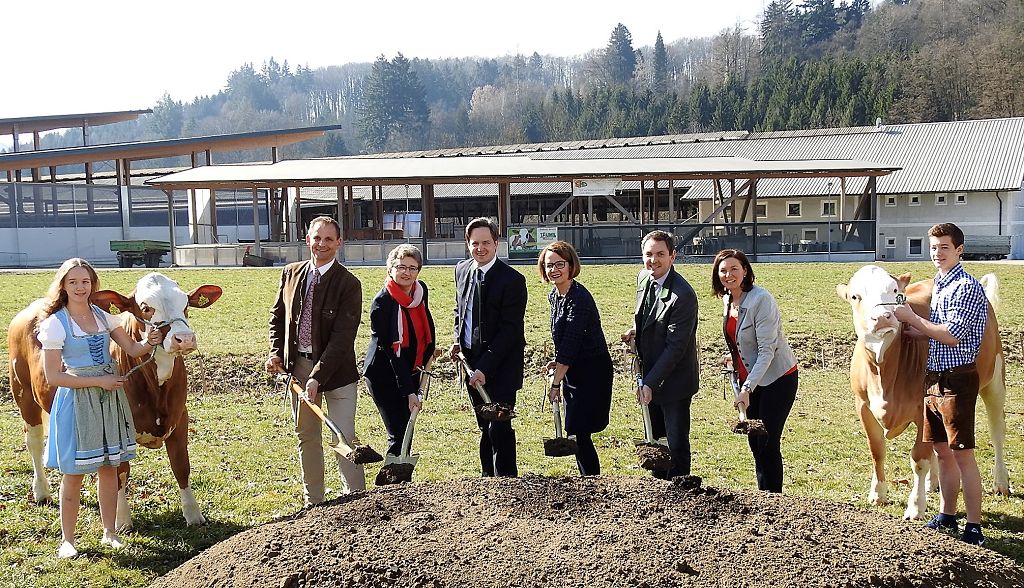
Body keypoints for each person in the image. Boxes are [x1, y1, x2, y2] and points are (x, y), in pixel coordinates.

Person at [38, 258, 164, 558]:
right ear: (63, 286)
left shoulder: (103, 316)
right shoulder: (56, 323)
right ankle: (67, 539)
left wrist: (150, 340)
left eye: (85, 281)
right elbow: (54, 375)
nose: (80, 287)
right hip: (78, 401)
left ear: (93, 284)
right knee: (75, 472)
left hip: (108, 400)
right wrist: (100, 382)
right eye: (73, 282)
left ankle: (109, 532)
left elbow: (133, 350)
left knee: (109, 468)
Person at [893, 222, 989, 546]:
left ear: (959, 250)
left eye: (944, 247)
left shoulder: (965, 286)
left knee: (963, 455)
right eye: (933, 248)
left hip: (957, 379)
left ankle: (973, 526)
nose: (937, 253)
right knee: (942, 453)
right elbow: (940, 328)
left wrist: (912, 319)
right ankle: (948, 515)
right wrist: (915, 333)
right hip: (933, 378)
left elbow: (951, 335)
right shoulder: (941, 283)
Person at [267, 216, 365, 506]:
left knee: (343, 435)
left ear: (338, 243)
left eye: (328, 239)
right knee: (307, 436)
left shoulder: (348, 283)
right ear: (307, 239)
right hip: (299, 367)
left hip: (337, 372)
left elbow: (342, 338)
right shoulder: (290, 273)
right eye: (316, 238)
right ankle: (315, 502)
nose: (321, 244)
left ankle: (357, 499)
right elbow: (277, 318)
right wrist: (275, 352)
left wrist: (317, 377)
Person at [711, 249, 799, 493]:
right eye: (723, 271)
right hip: (749, 376)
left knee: (767, 441)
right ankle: (764, 496)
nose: (728, 275)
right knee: (754, 440)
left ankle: (773, 500)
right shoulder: (728, 299)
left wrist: (747, 388)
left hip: (777, 378)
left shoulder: (762, 300)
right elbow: (739, 337)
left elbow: (767, 350)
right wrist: (735, 356)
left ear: (745, 271)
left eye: (734, 269)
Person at [449, 217, 527, 477]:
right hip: (472, 363)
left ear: (496, 243)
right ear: (467, 245)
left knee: (500, 426)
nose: (480, 248)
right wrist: (457, 341)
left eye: (485, 243)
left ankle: (506, 483)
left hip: (501, 365)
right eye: (474, 243)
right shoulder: (461, 270)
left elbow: (510, 331)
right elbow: (460, 310)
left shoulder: (512, 280)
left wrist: (485, 367)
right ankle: (486, 481)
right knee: (484, 424)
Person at [621, 230, 699, 479]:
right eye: (649, 254)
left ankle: (680, 489)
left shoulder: (683, 295)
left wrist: (651, 383)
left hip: (673, 380)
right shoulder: (644, 278)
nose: (653, 260)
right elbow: (650, 315)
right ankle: (658, 489)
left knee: (675, 441)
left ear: (673, 256)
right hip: (649, 373)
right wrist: (637, 330)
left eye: (660, 254)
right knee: (654, 438)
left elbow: (676, 346)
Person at [539, 241, 613, 476]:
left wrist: (555, 382)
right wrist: (557, 361)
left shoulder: (579, 298)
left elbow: (572, 341)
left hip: (592, 371)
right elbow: (564, 340)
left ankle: (591, 480)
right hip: (572, 368)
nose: (554, 270)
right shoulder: (555, 295)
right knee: (575, 430)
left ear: (571, 265)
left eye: (560, 264)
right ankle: (587, 478)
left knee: (579, 430)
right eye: (549, 265)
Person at [363, 244, 437, 456]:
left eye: (412, 268)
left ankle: (402, 481)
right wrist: (408, 391)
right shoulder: (382, 302)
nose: (407, 272)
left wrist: (428, 353)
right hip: (384, 375)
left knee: (407, 431)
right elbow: (390, 352)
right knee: (398, 432)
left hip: (412, 369)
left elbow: (424, 328)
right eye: (401, 267)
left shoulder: (420, 292)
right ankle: (392, 485)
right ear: (390, 269)